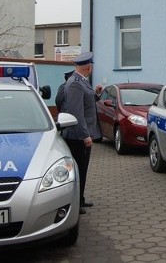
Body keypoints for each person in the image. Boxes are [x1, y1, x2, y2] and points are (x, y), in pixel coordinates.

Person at [62, 52, 100, 214]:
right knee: (79, 170)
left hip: (81, 134)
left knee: (82, 170)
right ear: (88, 67)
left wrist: (96, 94)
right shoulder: (76, 84)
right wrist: (85, 135)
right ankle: (76, 204)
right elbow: (77, 113)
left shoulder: (81, 82)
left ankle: (80, 200)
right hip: (77, 136)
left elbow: (86, 103)